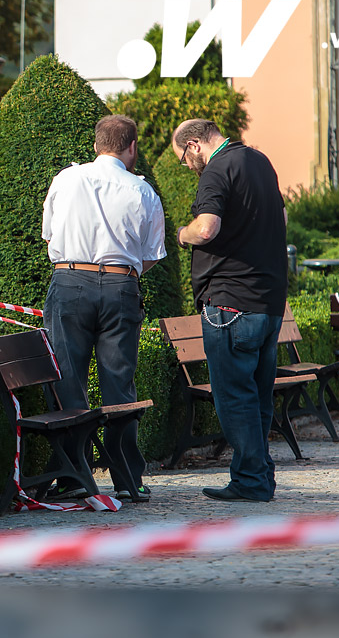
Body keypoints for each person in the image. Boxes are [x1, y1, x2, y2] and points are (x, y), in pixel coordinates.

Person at [42, 114, 166, 501]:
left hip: (69, 281)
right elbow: (151, 255)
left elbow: (49, 234)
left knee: (68, 380)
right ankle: (128, 478)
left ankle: (74, 476)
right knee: (119, 383)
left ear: (96, 145)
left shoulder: (66, 179)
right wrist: (119, 271)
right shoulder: (144, 191)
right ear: (131, 148)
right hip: (120, 286)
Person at [172, 119, 288, 502]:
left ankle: (252, 481)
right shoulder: (259, 161)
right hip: (268, 302)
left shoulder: (218, 169)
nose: (188, 168)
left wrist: (182, 234)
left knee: (234, 397)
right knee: (257, 395)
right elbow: (282, 220)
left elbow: (206, 229)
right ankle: (255, 475)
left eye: (185, 160)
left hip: (230, 303)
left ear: (193, 145)